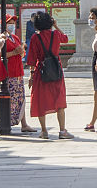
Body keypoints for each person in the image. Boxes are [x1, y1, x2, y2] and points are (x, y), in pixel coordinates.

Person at [26, 11, 71, 139]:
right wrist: (56, 26)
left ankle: (44, 131)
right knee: (59, 100)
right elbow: (66, 38)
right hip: (56, 71)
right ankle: (62, 131)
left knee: (40, 100)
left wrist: (31, 75)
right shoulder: (56, 34)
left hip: (41, 72)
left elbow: (31, 59)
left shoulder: (35, 38)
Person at [1, 14, 36, 134]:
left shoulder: (14, 37)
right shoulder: (1, 39)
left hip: (18, 72)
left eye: (13, 23)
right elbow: (0, 56)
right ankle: (8, 123)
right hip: (9, 73)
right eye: (9, 23)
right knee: (11, 99)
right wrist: (14, 52)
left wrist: (21, 52)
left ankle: (24, 124)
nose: (12, 25)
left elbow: (21, 54)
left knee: (21, 98)